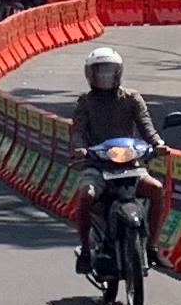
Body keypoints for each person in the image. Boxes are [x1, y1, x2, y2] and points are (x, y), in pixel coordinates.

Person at [68, 43, 166, 273]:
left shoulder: (132, 98)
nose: (104, 75)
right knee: (86, 195)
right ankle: (84, 249)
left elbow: (147, 127)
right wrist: (80, 148)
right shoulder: (85, 103)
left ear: (118, 72)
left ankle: (152, 246)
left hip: (130, 164)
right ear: (90, 74)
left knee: (156, 188)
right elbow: (79, 131)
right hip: (97, 166)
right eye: (99, 70)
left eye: (109, 70)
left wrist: (158, 144)